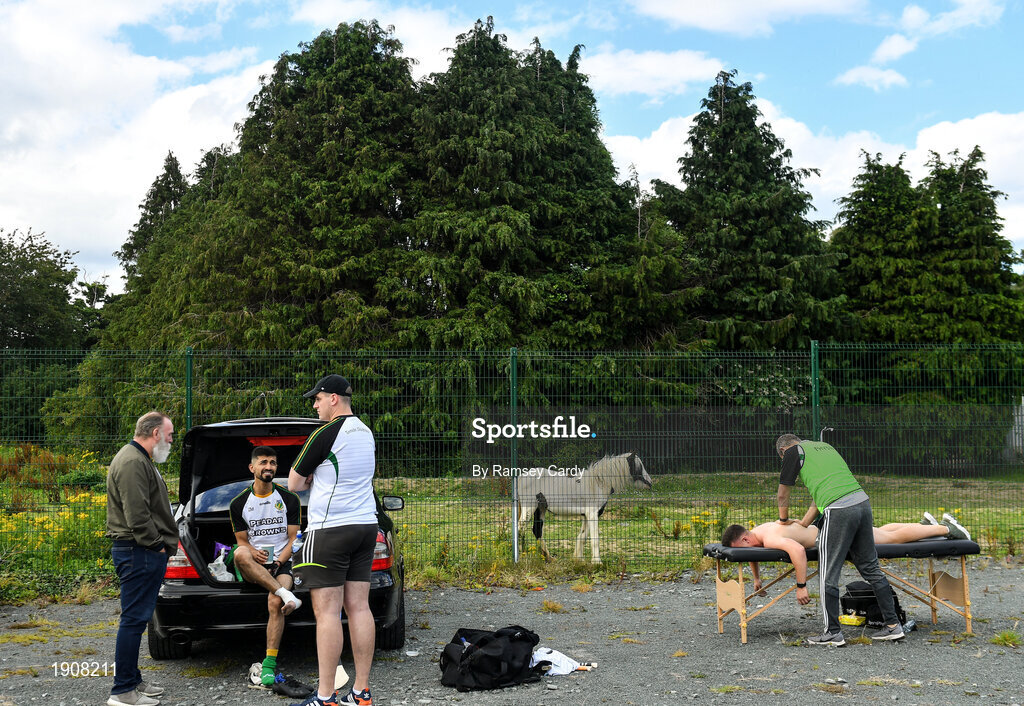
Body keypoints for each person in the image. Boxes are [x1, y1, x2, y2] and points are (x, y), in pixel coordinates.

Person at [289, 375, 378, 706]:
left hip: (329, 531)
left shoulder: (325, 433)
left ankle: (326, 696)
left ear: (334, 399)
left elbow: (295, 483)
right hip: (366, 527)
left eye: (317, 399)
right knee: (359, 607)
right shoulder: (366, 432)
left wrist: (311, 477)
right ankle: (361, 692)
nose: (314, 405)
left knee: (326, 613)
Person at [774, 433, 905, 646]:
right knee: (871, 568)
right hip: (862, 504)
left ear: (783, 451)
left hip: (839, 510)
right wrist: (804, 524)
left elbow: (782, 494)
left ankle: (833, 632)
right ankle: (893, 626)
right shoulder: (824, 447)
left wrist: (783, 519)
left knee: (828, 572)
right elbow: (821, 496)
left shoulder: (792, 452)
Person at [105, 411, 178, 706]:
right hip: (139, 552)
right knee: (134, 620)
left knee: (136, 618)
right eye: (170, 435)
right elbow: (137, 516)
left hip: (140, 551)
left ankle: (133, 680)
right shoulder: (133, 462)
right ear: (156, 434)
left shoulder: (137, 458)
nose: (172, 441)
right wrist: (158, 545)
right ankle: (123, 691)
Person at [721, 511, 972, 594]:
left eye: (740, 549)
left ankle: (947, 529)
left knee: (888, 538)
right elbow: (751, 552)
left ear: (744, 538)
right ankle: (926, 527)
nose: (743, 553)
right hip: (828, 529)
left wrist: (801, 586)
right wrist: (755, 578)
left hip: (835, 534)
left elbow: (797, 551)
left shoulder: (771, 536)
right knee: (882, 531)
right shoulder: (758, 530)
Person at [228, 446, 303, 686]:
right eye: (263, 462)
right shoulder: (239, 503)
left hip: (283, 563)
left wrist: (280, 560)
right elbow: (242, 542)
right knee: (239, 553)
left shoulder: (289, 498)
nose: (268, 466)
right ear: (252, 468)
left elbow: (294, 539)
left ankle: (269, 665)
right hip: (255, 566)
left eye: (272, 462)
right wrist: (254, 553)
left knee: (275, 601)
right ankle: (285, 593)